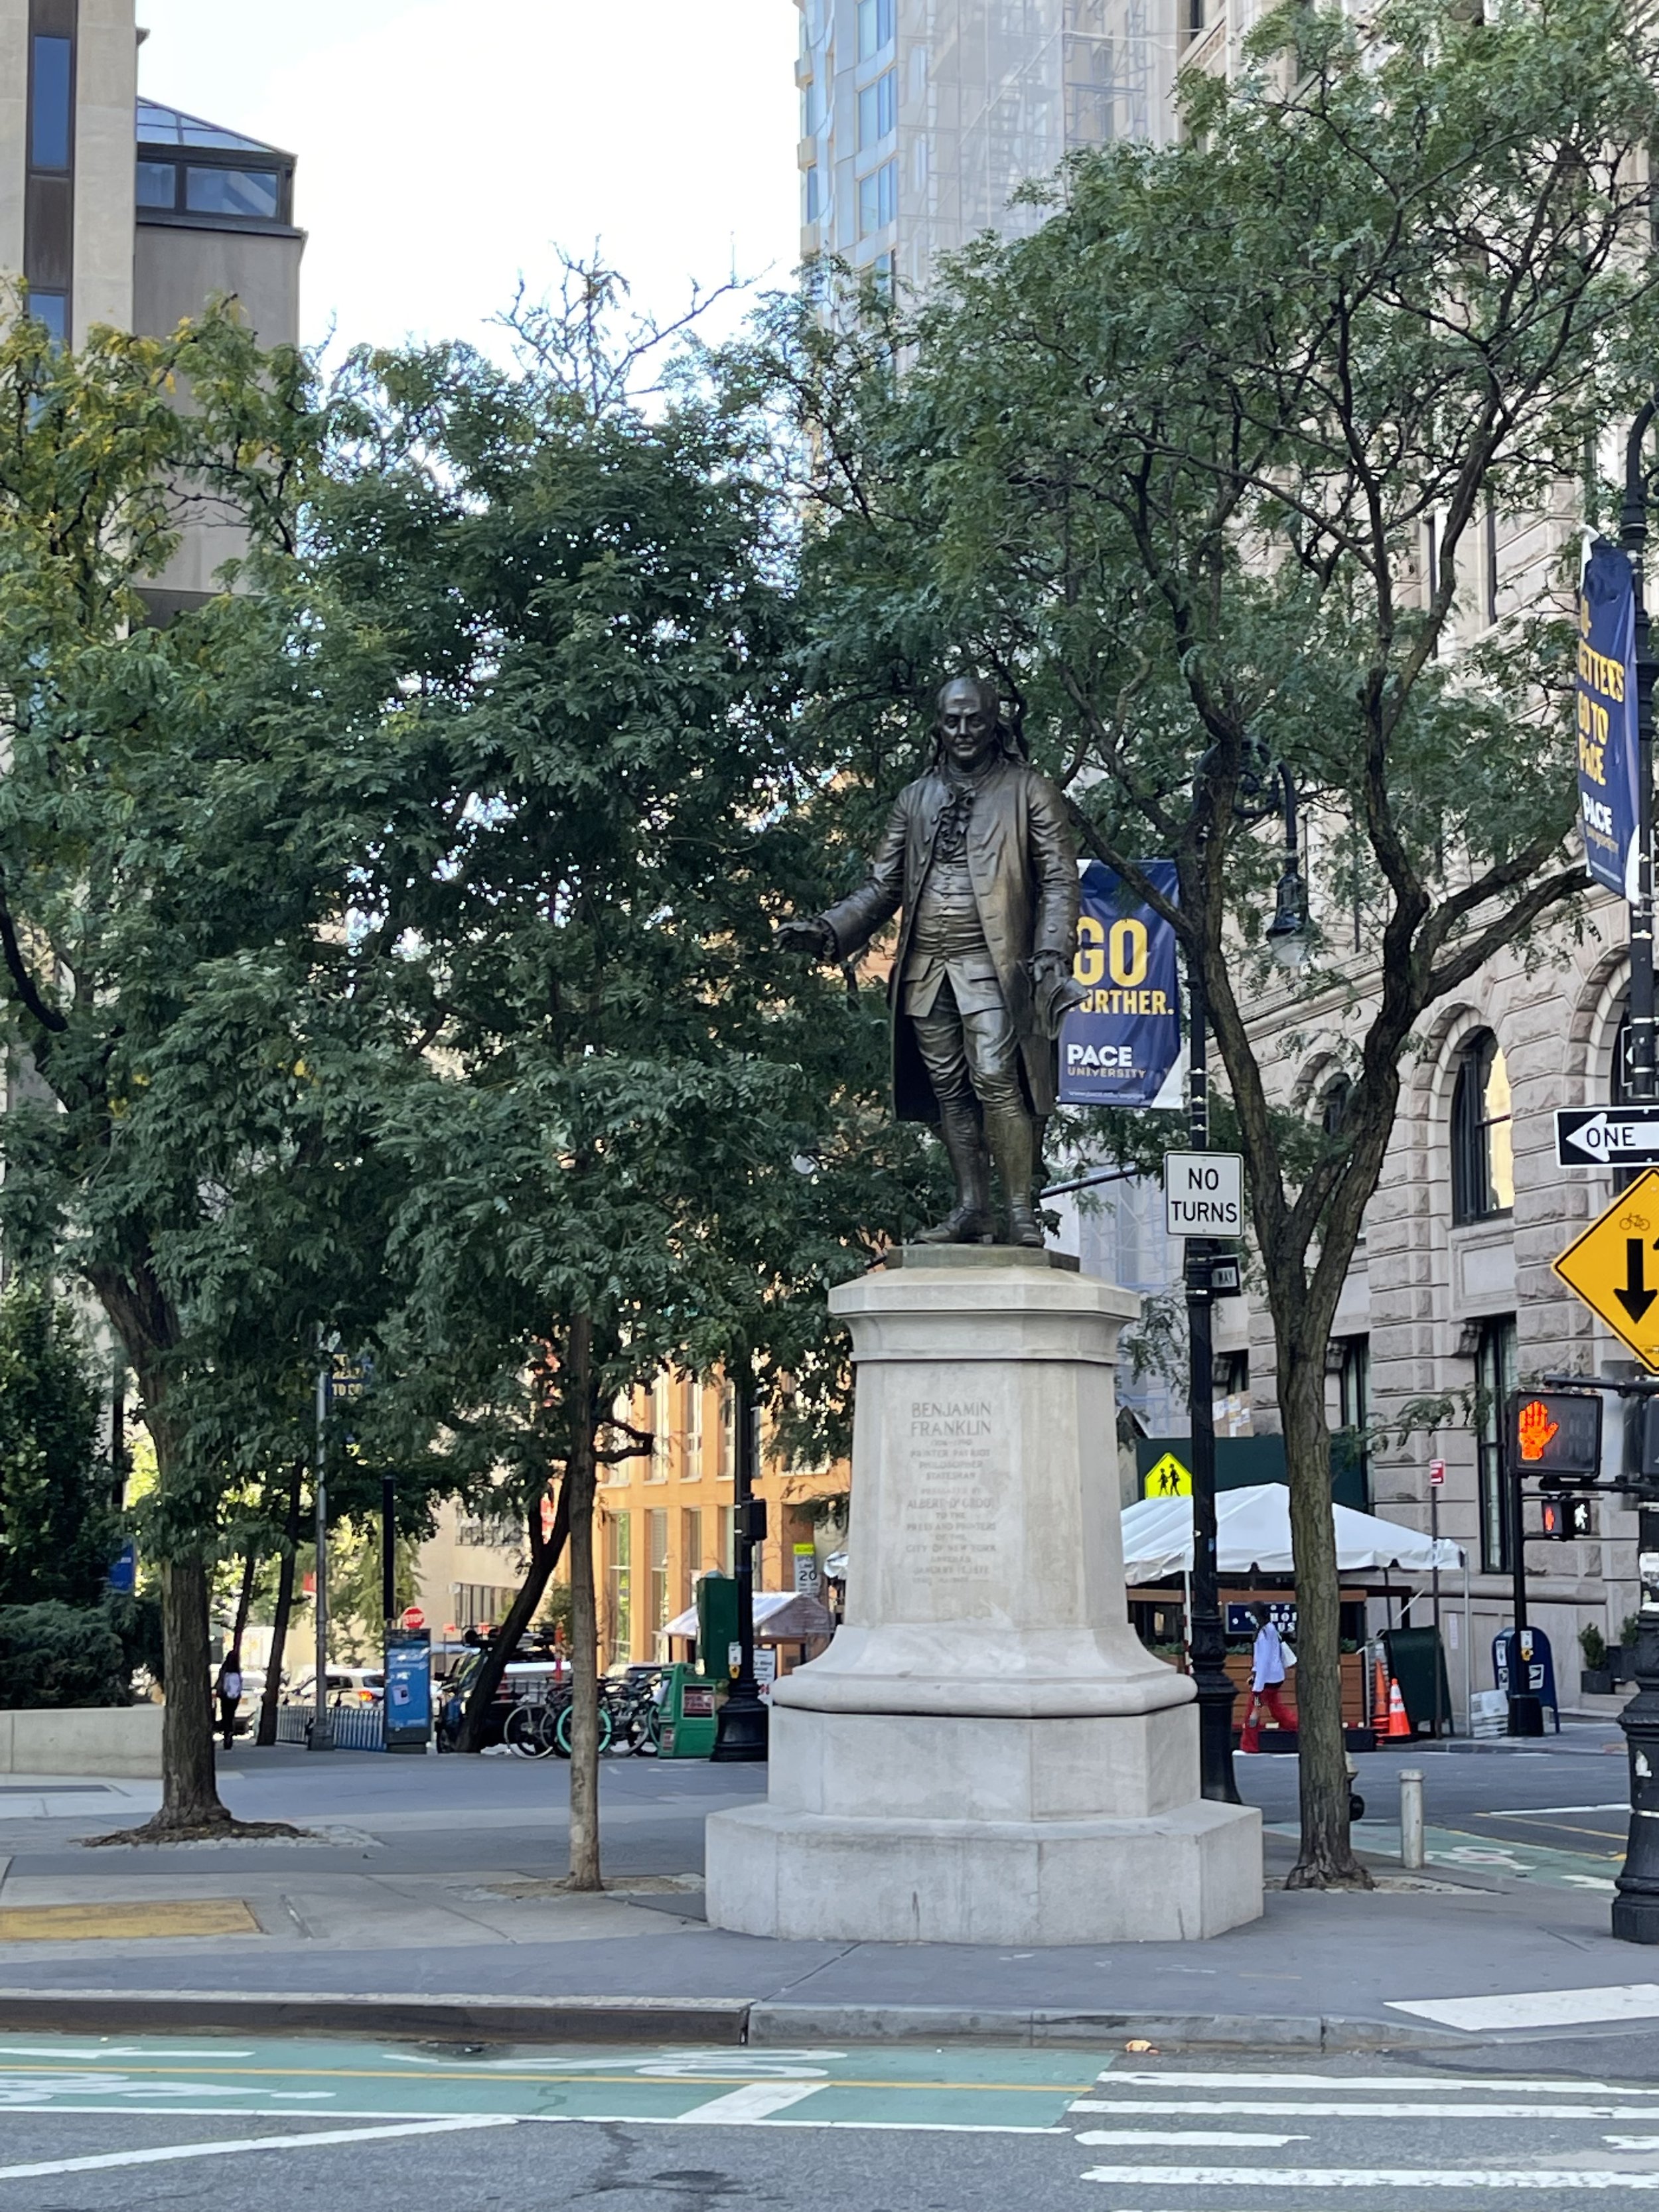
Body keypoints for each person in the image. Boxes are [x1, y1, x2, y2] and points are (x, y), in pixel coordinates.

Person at [776, 674, 1084, 1248]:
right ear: (938, 726)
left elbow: (1061, 879)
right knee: (949, 1089)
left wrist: (1050, 951)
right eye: (952, 721)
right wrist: (827, 929)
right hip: (925, 967)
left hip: (993, 964)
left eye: (974, 720)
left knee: (995, 1077)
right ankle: (972, 1207)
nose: (963, 731)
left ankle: (1020, 1210)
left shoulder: (1028, 790)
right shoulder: (915, 798)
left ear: (994, 723)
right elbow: (882, 886)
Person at [1240, 1603, 1295, 1753]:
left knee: (1253, 1713)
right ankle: (1298, 1728)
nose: (1250, 1617)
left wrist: (1257, 1687)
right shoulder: (1271, 1629)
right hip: (1274, 1679)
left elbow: (1263, 1662)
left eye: (1251, 1614)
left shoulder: (1263, 1634)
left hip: (1264, 1683)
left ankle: (1249, 1746)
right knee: (1277, 1709)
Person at [214, 1650, 244, 1752]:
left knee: (225, 1715)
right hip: (235, 1697)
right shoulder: (237, 1671)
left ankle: (227, 1733)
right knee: (231, 1715)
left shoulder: (224, 1670)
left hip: (225, 1696)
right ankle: (230, 1732)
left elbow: (220, 1682)